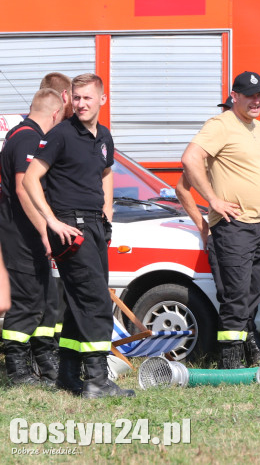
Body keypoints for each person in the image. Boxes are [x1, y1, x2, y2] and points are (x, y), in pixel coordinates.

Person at [22, 74, 134, 398]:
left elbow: (107, 172)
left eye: (88, 98)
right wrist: (52, 222)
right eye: (77, 98)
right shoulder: (60, 135)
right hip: (70, 227)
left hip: (96, 226)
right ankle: (97, 381)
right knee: (97, 301)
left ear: (102, 99)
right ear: (69, 99)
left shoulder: (103, 137)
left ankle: (69, 376)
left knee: (78, 302)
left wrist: (108, 209)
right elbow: (30, 180)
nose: (81, 104)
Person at [181, 71, 260, 369]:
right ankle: (230, 364)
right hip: (234, 227)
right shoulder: (221, 125)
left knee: (253, 295)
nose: (257, 101)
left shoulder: (257, 128)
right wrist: (213, 202)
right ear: (235, 96)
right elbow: (190, 159)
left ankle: (249, 350)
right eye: (250, 95)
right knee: (235, 297)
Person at [0, 88, 65, 386]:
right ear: (55, 113)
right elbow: (24, 188)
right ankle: (17, 371)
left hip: (25, 233)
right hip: (21, 234)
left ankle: (44, 362)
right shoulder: (27, 138)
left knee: (46, 298)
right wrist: (44, 231)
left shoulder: (21, 134)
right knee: (27, 300)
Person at [175, 95, 233, 249]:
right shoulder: (211, 151)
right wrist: (203, 226)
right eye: (224, 111)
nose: (224, 116)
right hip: (223, 230)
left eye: (229, 112)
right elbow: (182, 189)